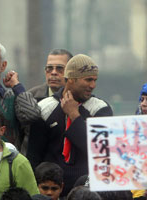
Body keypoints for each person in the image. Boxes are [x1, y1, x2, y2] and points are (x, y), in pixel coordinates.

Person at [27, 54, 113, 197]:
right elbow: (34, 155)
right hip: (50, 191)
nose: (93, 85)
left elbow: (98, 152)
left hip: (87, 193)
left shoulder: (100, 109)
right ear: (71, 79)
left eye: (95, 80)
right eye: (88, 80)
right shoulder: (45, 108)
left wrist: (74, 115)